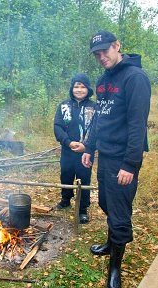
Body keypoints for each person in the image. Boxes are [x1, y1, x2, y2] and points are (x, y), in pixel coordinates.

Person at [82, 31, 151, 288]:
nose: (101, 57)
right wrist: (90, 147)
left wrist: (130, 165)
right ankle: (111, 244)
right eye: (97, 54)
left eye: (105, 51)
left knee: (119, 214)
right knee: (105, 203)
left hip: (123, 158)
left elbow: (137, 125)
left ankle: (115, 269)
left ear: (117, 46)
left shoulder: (135, 78)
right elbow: (100, 118)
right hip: (106, 154)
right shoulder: (102, 81)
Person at [54, 73, 96, 224]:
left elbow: (97, 129)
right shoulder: (64, 106)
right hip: (67, 150)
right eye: (76, 86)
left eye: (83, 86)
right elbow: (58, 126)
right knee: (66, 175)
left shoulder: (94, 107)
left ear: (88, 89)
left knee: (84, 179)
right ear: (72, 89)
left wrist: (87, 146)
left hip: (85, 153)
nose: (79, 89)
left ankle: (83, 209)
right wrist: (67, 142)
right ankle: (66, 199)